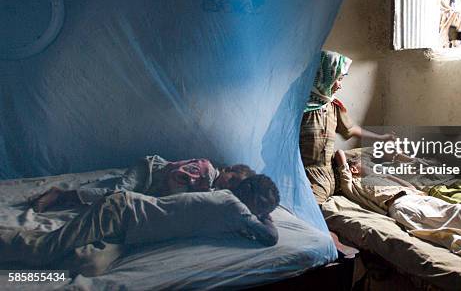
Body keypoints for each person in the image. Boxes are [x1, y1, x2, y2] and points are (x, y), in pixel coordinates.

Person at [1, 174, 281, 270]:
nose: (260, 214)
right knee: (44, 251)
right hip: (121, 211)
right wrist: (265, 216)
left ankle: (40, 246)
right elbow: (270, 237)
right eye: (261, 207)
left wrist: (260, 211)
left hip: (130, 232)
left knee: (88, 265)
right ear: (248, 196)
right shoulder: (232, 205)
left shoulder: (227, 204)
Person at [300, 50, 394, 204]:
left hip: (330, 172)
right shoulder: (298, 108)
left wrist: (381, 138)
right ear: (324, 77)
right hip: (308, 175)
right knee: (316, 211)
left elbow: (350, 129)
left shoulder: (333, 106)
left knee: (374, 168)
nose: (340, 86)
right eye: (338, 79)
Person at [333, 149, 461, 255]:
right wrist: (350, 161)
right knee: (434, 226)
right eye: (365, 164)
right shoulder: (354, 184)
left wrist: (406, 186)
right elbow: (340, 155)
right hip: (399, 205)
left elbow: (407, 185)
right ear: (354, 169)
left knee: (457, 209)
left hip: (414, 196)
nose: (369, 166)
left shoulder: (380, 175)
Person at [31, 156, 255, 212]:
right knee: (117, 195)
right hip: (148, 169)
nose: (230, 185)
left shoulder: (213, 189)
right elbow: (177, 175)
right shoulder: (206, 170)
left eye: (234, 187)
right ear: (227, 169)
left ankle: (84, 189)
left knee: (116, 190)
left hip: (149, 184)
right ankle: (60, 194)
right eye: (232, 178)